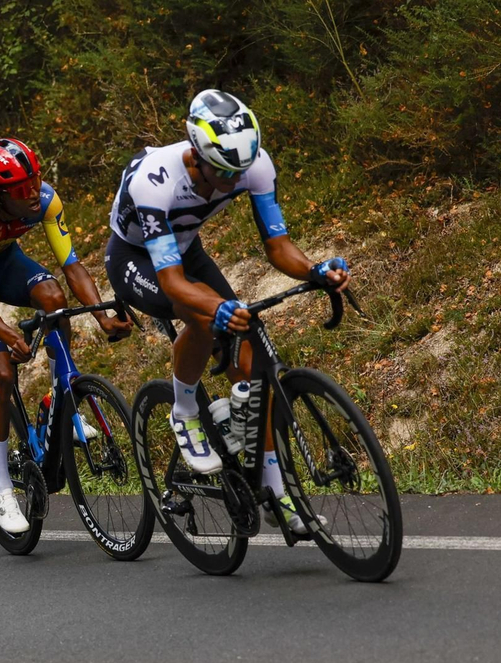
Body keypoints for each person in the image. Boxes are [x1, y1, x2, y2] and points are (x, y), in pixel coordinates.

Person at [103, 89, 350, 534]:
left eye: (239, 171)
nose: (233, 179)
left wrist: (314, 270)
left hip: (185, 247)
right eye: (222, 170)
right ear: (196, 155)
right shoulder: (154, 180)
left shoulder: (253, 164)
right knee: (201, 314)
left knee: (254, 367)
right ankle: (184, 411)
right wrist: (216, 307)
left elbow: (278, 246)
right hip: (134, 258)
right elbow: (173, 283)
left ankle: (277, 493)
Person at [0, 138, 130, 532]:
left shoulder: (45, 199)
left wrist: (102, 315)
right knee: (2, 372)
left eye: (35, 182)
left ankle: (64, 396)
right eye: (21, 189)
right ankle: (2, 488)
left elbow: (71, 265)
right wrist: (8, 334)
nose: (32, 194)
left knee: (54, 297)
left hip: (6, 258)